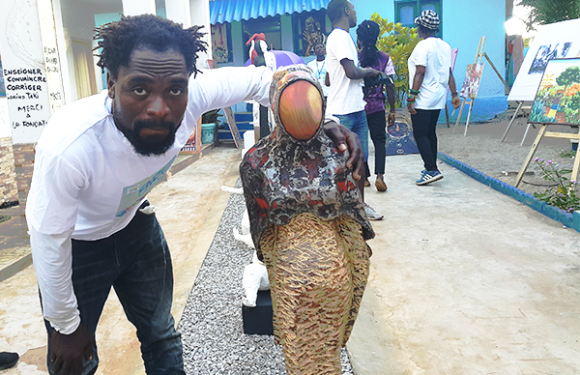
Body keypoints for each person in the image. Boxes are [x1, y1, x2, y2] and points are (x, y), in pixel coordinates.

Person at [26, 14, 364, 375]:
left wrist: (316, 120)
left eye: (175, 89)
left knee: (161, 335)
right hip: (79, 246)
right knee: (75, 358)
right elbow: (48, 238)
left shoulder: (192, 96)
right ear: (111, 84)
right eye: (139, 89)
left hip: (135, 228)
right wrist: (63, 325)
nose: (160, 107)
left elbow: (268, 80)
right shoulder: (69, 146)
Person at [240, 65, 373, 375]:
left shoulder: (336, 153)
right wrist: (281, 275)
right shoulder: (257, 161)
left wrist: (356, 285)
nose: (302, 113)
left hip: (334, 281)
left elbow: (352, 224)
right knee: (300, 359)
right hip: (292, 282)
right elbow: (264, 236)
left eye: (308, 103)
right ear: (275, 105)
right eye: (292, 104)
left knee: (326, 357)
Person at [325, 0, 384, 220]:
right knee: (342, 164)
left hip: (356, 110)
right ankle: (342, 211)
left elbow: (331, 78)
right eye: (353, 8)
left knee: (360, 161)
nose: (356, 12)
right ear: (345, 11)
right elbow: (350, 72)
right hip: (342, 114)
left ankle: (359, 207)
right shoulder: (339, 37)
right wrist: (369, 71)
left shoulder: (344, 38)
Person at [407, 10, 461, 185]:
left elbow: (420, 71)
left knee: (420, 133)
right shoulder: (445, 46)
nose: (416, 30)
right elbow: (449, 72)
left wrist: (411, 97)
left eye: (418, 26)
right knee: (430, 132)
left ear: (422, 28)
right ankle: (430, 166)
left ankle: (431, 169)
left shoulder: (422, 46)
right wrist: (453, 94)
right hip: (439, 96)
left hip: (423, 97)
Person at [356, 20, 396, 192]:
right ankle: (380, 176)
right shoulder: (385, 58)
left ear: (360, 39)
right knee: (379, 141)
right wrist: (392, 109)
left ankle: (364, 177)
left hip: (359, 106)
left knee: (359, 141)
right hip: (378, 106)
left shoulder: (355, 58)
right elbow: (390, 84)